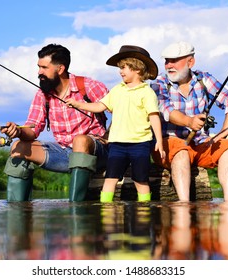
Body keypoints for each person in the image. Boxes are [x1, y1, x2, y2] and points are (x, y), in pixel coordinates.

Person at [1, 43, 109, 202]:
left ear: (60, 69)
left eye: (44, 67)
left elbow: (121, 111)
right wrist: (18, 131)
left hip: (96, 152)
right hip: (63, 153)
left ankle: (75, 208)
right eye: (38, 67)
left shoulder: (88, 86)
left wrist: (114, 140)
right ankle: (18, 211)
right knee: (18, 146)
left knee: (80, 140)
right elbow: (32, 128)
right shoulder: (42, 94)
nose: (39, 72)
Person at [66, 45, 165, 202]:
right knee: (110, 178)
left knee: (141, 180)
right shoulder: (117, 90)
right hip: (117, 144)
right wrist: (78, 104)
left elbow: (154, 117)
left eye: (124, 67)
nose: (120, 71)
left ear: (137, 69)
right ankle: (106, 209)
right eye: (120, 67)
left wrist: (159, 140)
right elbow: (99, 106)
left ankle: (144, 210)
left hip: (140, 143)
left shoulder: (147, 92)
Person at [151, 41, 228, 204]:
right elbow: (165, 110)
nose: (169, 65)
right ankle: (183, 204)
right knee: (181, 151)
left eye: (174, 60)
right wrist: (189, 121)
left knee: (227, 148)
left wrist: (224, 132)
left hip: (201, 144)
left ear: (190, 62)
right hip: (169, 144)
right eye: (167, 61)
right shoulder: (159, 83)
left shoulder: (204, 79)